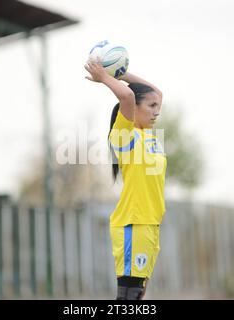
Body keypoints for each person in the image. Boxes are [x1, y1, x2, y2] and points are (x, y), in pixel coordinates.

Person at [85, 59, 167, 300]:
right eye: (151, 106)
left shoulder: (148, 135)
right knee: (128, 297)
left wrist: (123, 73)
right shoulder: (125, 136)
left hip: (150, 224)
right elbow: (127, 98)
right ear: (136, 109)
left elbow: (157, 93)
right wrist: (105, 78)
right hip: (133, 223)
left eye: (157, 107)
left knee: (138, 295)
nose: (156, 111)